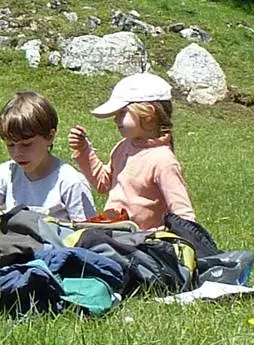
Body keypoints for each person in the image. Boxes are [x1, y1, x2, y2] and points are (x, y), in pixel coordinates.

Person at [67, 73, 196, 230]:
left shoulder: (163, 160)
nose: (115, 119)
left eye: (122, 113)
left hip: (143, 244)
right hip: (115, 234)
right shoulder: (123, 147)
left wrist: (188, 239)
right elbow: (103, 184)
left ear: (148, 115)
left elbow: (182, 213)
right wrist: (83, 150)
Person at [0, 92, 96, 228]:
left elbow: (90, 235)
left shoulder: (70, 182)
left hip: (53, 246)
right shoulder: (7, 173)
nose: (18, 152)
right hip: (10, 246)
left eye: (26, 144)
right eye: (10, 145)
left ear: (50, 137)